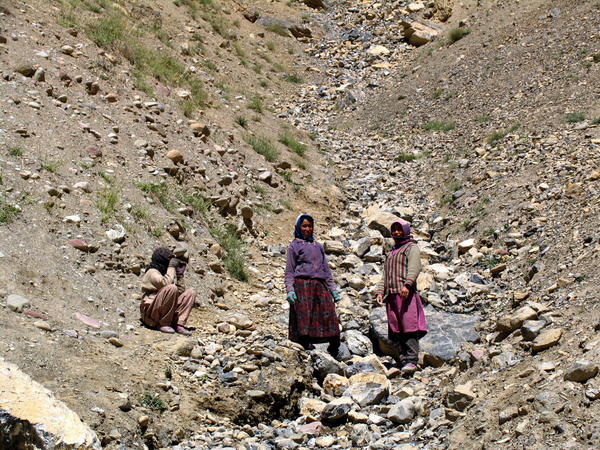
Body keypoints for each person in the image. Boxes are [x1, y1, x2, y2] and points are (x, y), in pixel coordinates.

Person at [285, 214, 342, 358]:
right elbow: (289, 271)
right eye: (304, 226)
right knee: (304, 320)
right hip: (302, 287)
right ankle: (305, 350)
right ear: (299, 227)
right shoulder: (294, 246)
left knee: (329, 315)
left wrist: (333, 289)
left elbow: (326, 271)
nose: (307, 229)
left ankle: (334, 348)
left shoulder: (318, 246)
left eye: (310, 226)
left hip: (320, 286)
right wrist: (290, 290)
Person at [375, 220, 427, 374]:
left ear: (405, 231)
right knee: (396, 327)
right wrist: (380, 291)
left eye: (399, 230)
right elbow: (385, 275)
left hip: (406, 294)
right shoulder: (391, 253)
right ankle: (402, 359)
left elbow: (415, 267)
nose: (396, 233)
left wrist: (408, 284)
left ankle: (412, 360)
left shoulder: (411, 247)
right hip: (392, 295)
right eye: (394, 230)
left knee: (409, 325)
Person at [140, 246, 195, 335]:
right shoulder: (152, 272)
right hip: (151, 314)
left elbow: (179, 292)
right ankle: (164, 323)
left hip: (164, 310)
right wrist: (172, 267)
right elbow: (166, 284)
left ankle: (178, 324)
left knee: (190, 293)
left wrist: (179, 275)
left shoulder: (166, 274)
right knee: (171, 288)